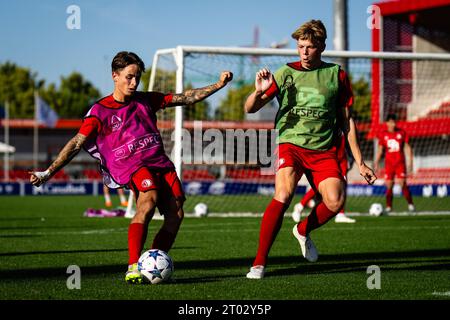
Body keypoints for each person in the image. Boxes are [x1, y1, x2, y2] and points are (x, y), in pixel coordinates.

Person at [29, 51, 233, 284]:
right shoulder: (99, 111)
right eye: (129, 77)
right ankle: (133, 266)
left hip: (160, 162)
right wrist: (48, 172)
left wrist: (219, 84)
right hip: (133, 165)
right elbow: (77, 143)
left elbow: (185, 98)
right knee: (148, 200)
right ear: (115, 76)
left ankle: (153, 262)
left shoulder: (146, 100)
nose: (134, 83)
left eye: (137, 77)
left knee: (176, 214)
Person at [244, 20, 376, 279]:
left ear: (322, 47)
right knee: (283, 195)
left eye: (310, 47)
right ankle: (259, 263)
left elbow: (347, 120)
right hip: (290, 144)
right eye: (300, 46)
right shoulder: (285, 73)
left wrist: (360, 162)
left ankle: (302, 229)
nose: (303, 52)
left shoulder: (336, 75)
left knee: (335, 202)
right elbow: (250, 109)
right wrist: (258, 92)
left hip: (324, 149)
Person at [292, 133, 356, 223]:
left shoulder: (344, 122)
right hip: (329, 156)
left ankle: (340, 214)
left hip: (342, 158)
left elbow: (349, 136)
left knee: (343, 184)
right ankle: (300, 205)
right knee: (321, 185)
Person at [374, 113, 415, 214]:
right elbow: (380, 150)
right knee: (389, 185)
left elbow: (407, 147)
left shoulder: (401, 133)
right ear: (387, 123)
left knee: (402, 183)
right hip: (389, 164)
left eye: (394, 122)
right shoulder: (383, 134)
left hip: (400, 163)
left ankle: (410, 204)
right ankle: (389, 206)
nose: (392, 124)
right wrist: (376, 162)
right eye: (390, 122)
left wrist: (410, 162)